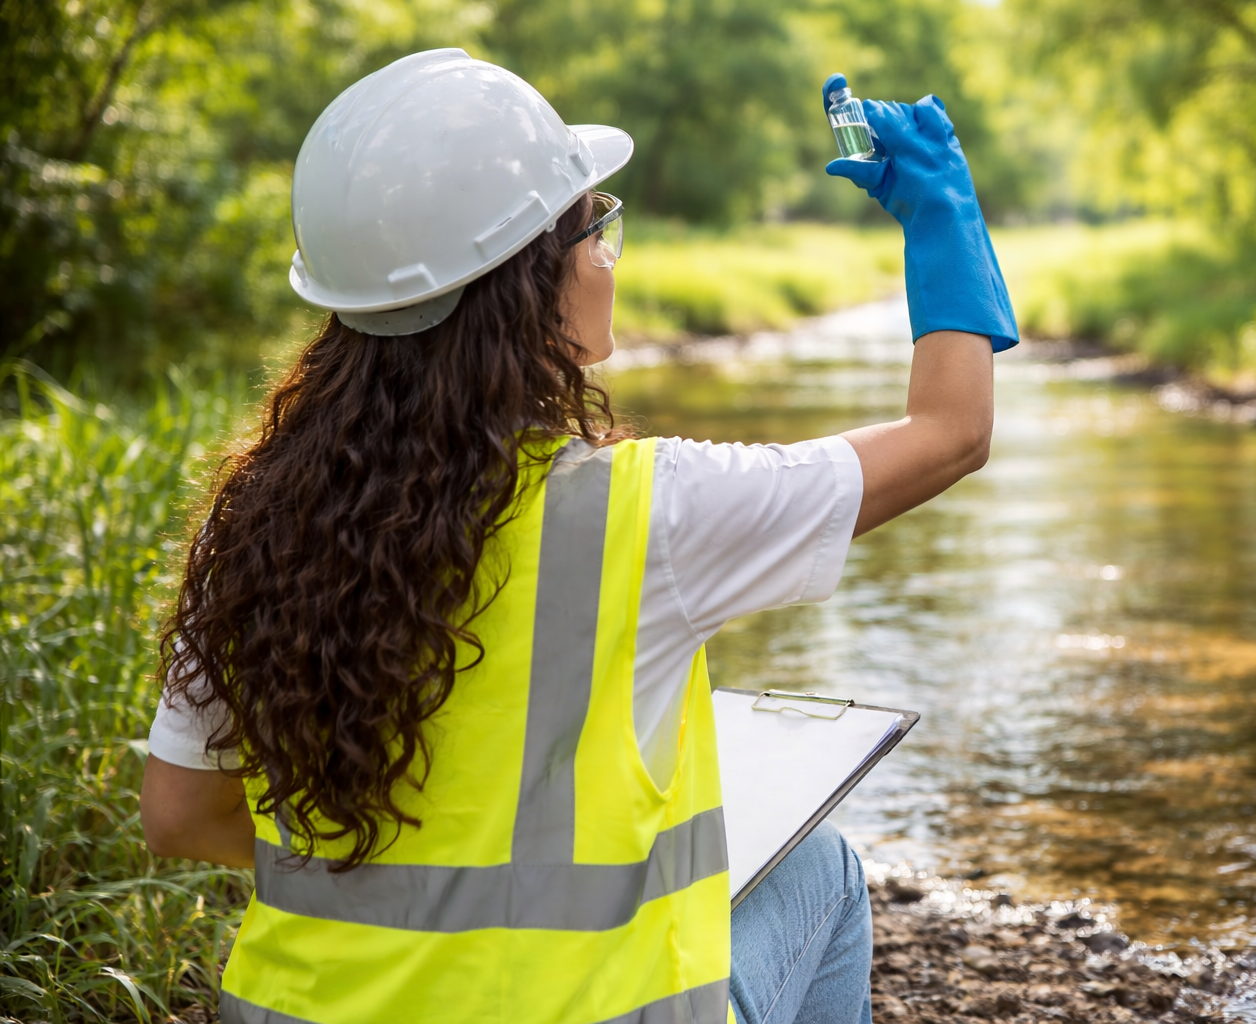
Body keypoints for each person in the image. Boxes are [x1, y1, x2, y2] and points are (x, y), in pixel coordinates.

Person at [138, 51, 1016, 1024]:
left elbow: (179, 813)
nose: (609, 251)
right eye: (599, 227)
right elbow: (951, 434)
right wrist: (942, 212)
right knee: (820, 871)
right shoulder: (648, 509)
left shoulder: (253, 511)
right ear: (530, 284)